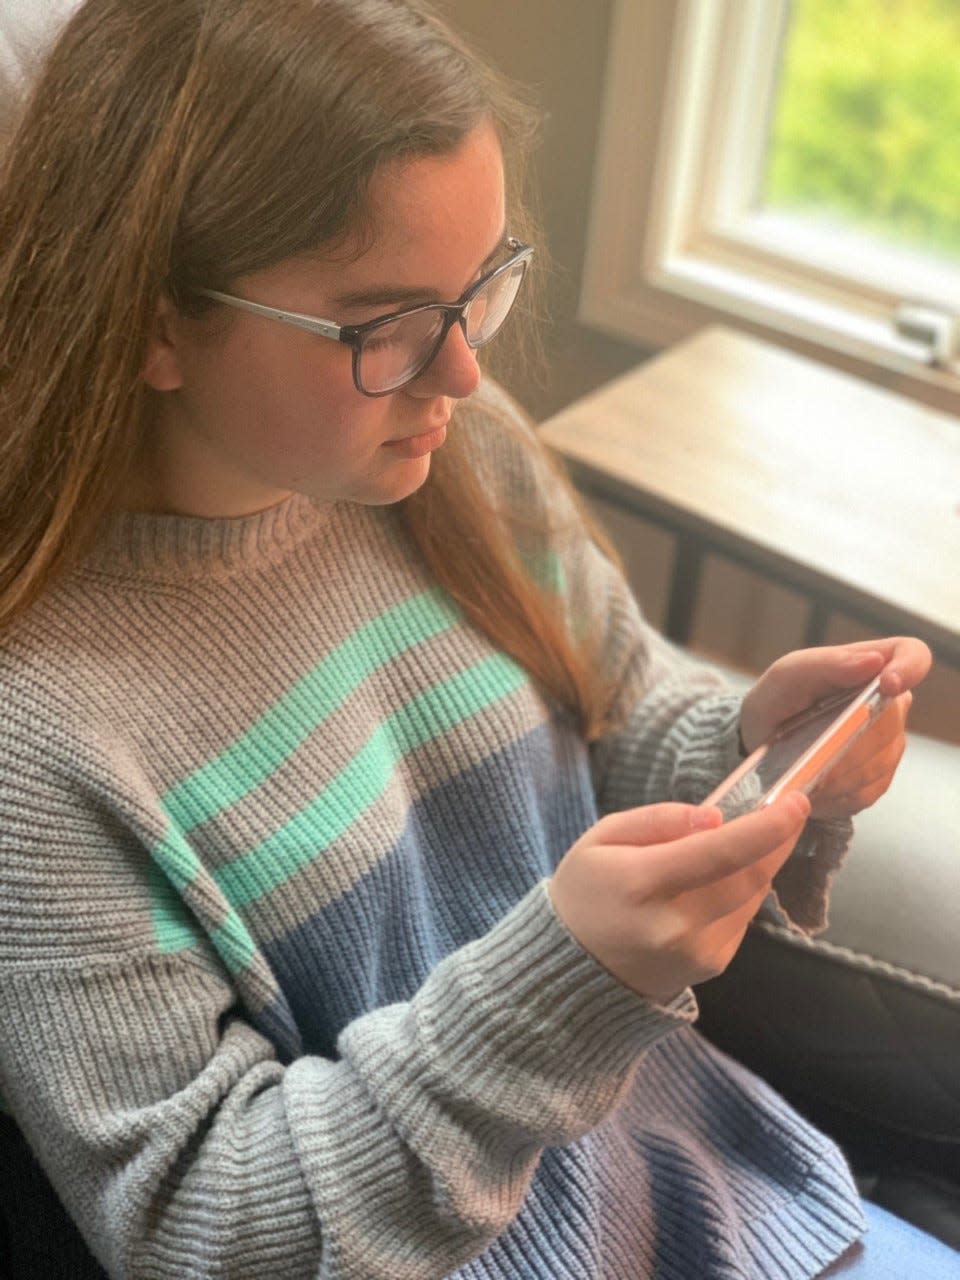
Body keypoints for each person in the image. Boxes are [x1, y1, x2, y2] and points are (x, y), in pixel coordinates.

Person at [0, 1, 952, 1276]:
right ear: (158, 319)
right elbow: (208, 1225)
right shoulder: (41, 738)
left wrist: (746, 748)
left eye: (484, 285)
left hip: (713, 1185)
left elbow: (624, 708)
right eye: (383, 325)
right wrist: (565, 983)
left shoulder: (452, 454)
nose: (460, 373)